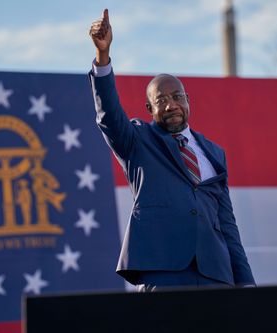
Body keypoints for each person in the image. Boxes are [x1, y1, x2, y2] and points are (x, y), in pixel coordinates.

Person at [89, 9, 255, 291]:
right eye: (161, 100)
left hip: (216, 274)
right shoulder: (137, 140)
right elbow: (109, 116)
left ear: (188, 100)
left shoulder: (214, 153)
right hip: (163, 271)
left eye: (177, 97)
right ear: (150, 109)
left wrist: (245, 281)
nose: (171, 105)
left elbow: (227, 224)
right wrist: (102, 57)